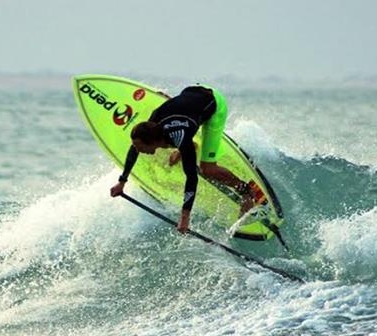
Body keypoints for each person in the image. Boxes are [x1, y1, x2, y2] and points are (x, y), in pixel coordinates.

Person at [109, 84, 265, 233]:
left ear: (154, 142)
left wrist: (184, 217)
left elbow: (192, 178)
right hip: (191, 93)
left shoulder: (179, 136)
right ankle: (188, 148)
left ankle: (247, 192)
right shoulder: (152, 123)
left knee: (207, 169)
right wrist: (121, 182)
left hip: (213, 104)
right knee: (183, 138)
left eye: (140, 147)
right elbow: (134, 149)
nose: (137, 150)